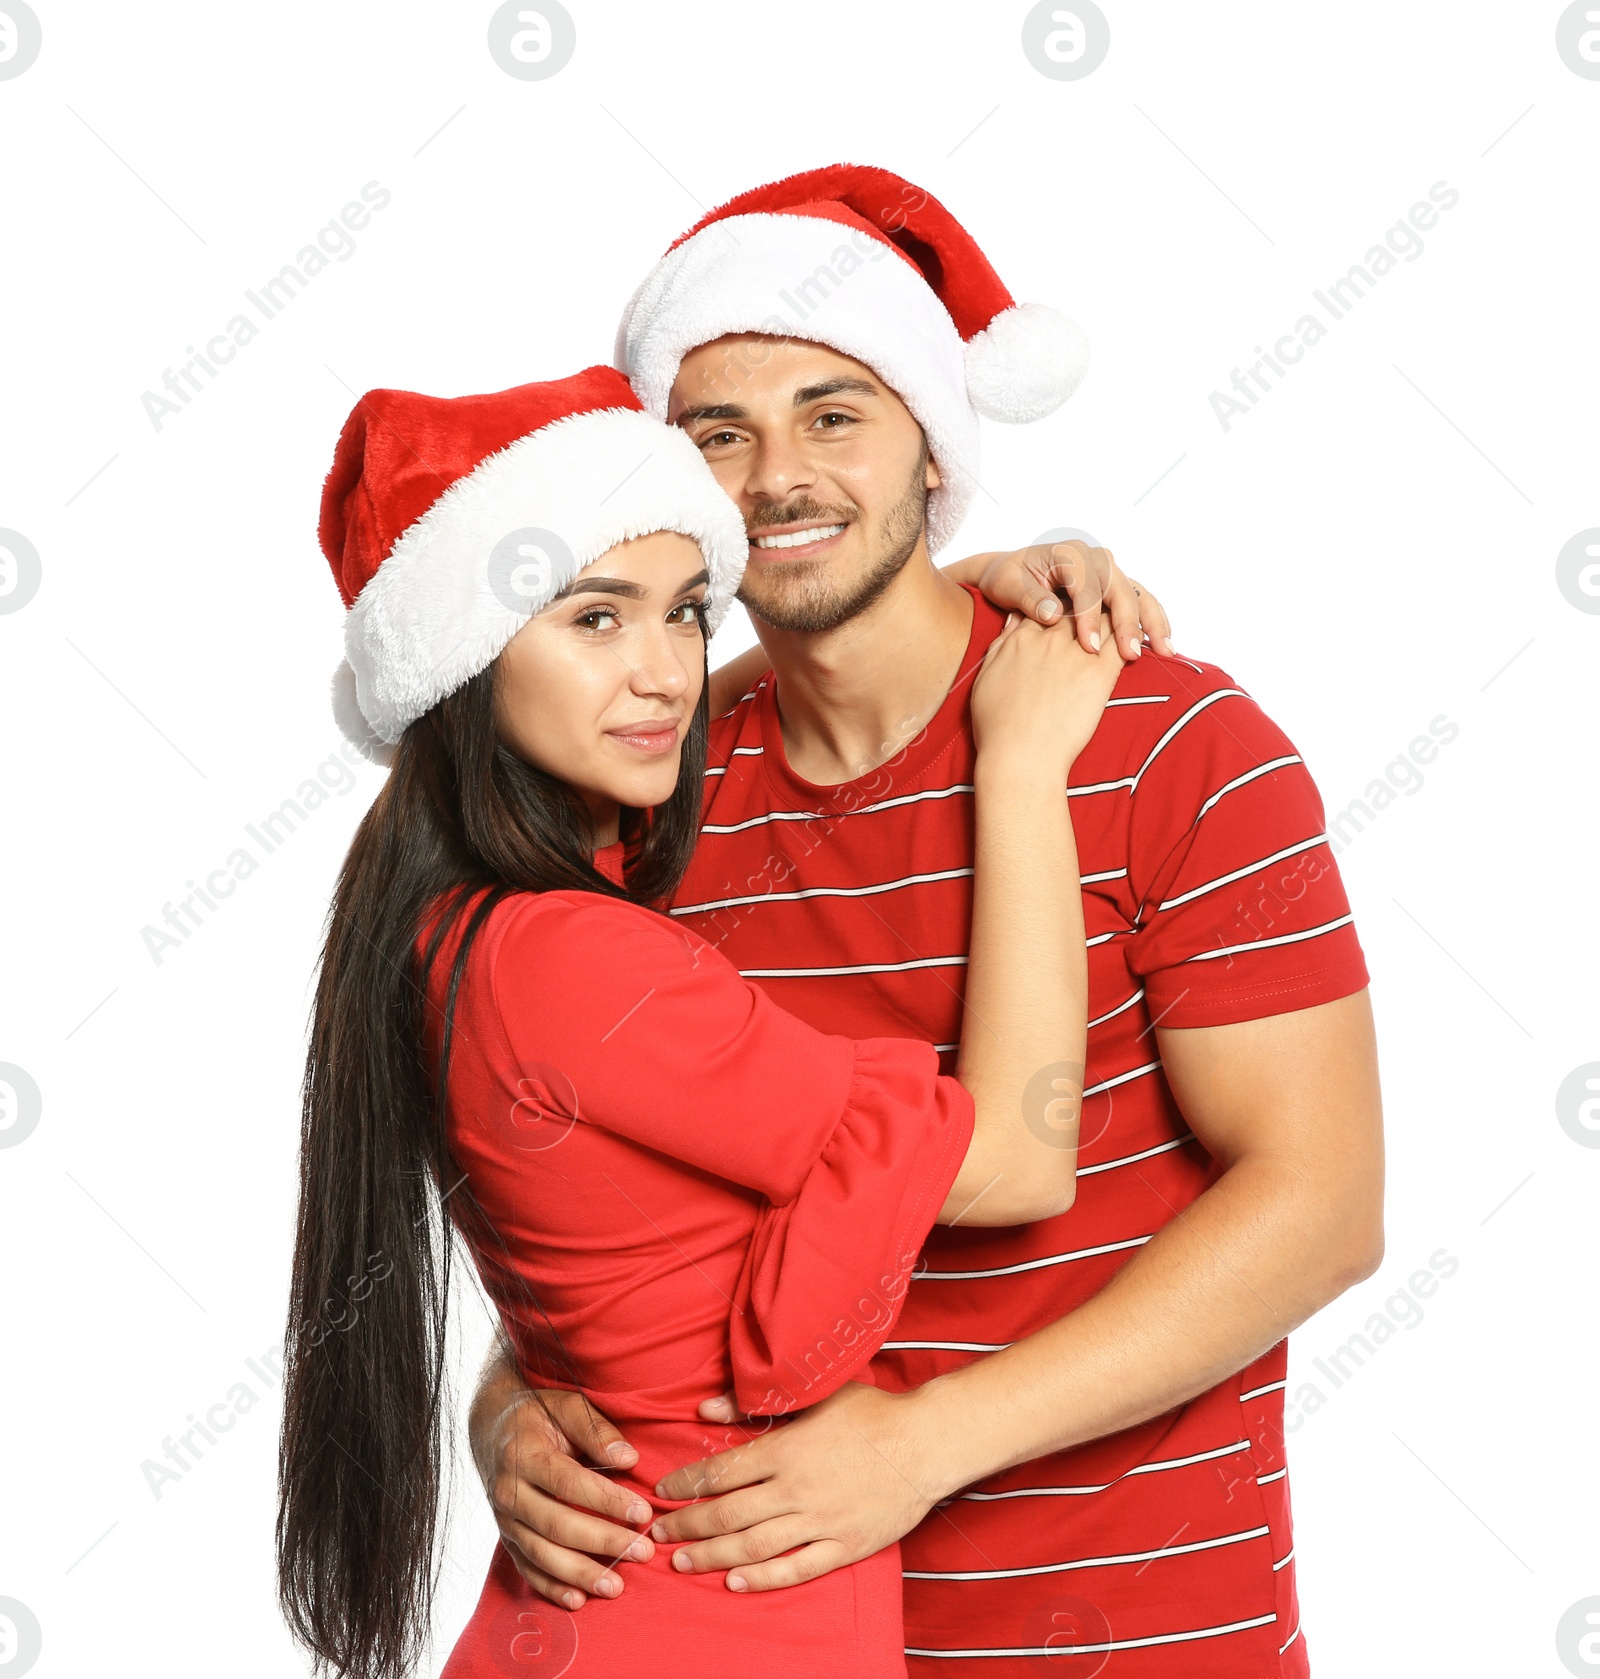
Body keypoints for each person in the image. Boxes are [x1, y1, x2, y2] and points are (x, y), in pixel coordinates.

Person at [471, 166, 1384, 1677]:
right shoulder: (655, 818)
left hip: (1141, 1640)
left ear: (931, 452)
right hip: (752, 1636)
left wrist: (928, 1446)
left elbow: (1322, 1202)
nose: (775, 475)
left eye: (834, 415)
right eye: (720, 434)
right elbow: (604, 1203)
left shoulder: (1167, 740)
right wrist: (512, 1408)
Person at [274, 364, 1136, 1679]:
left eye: (687, 613)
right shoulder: (572, 957)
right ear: (466, 655)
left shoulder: (453, 920)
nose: (666, 673)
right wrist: (1017, 765)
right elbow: (1015, 1159)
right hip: (710, 1612)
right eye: (595, 619)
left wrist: (943, 602)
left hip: (626, 1600)